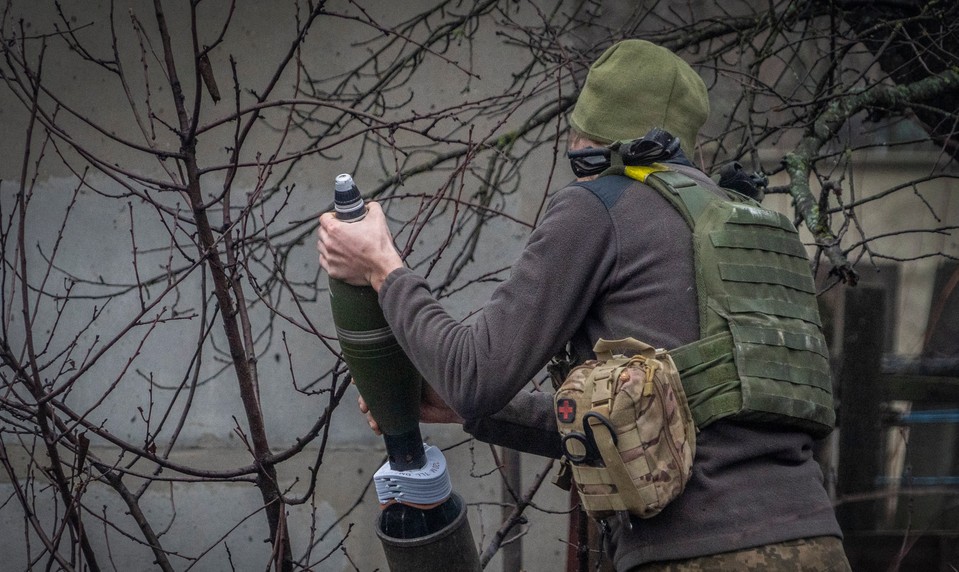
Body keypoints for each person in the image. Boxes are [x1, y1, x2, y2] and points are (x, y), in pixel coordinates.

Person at [318, 39, 850, 571]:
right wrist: (469, 412)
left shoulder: (602, 204)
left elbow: (473, 372)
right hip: (818, 543)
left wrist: (382, 266)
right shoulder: (745, 226)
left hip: (698, 553)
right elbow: (666, 422)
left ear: (589, 144)